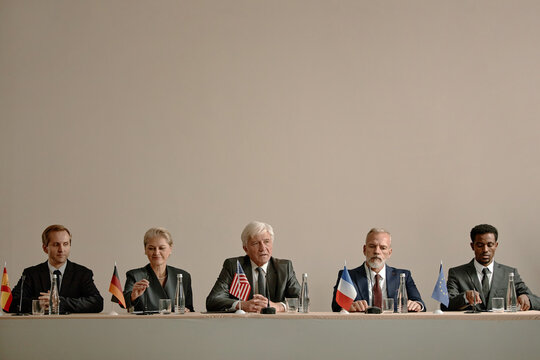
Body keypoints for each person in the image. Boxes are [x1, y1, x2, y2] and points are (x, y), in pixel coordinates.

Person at [206, 221, 301, 312]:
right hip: (242, 324)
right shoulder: (233, 265)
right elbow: (213, 300)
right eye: (256, 243)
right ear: (245, 248)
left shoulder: (284, 267)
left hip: (276, 325)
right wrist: (242, 305)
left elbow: (301, 300)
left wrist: (278, 306)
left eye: (266, 241)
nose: (263, 248)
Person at [6, 224, 103, 313]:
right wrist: (40, 303)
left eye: (65, 244)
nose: (61, 250)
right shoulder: (31, 273)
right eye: (56, 244)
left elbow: (97, 302)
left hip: (73, 328)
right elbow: (9, 302)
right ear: (45, 248)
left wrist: (59, 302)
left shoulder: (82, 273)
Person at [443, 224, 540, 311]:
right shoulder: (456, 273)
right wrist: (465, 297)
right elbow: (445, 305)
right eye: (480, 245)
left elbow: (537, 301)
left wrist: (527, 299)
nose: (485, 250)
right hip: (468, 329)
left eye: (490, 245)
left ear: (496, 245)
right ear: (472, 246)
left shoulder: (509, 273)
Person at [331, 228, 425, 312]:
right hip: (360, 327)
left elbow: (420, 303)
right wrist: (348, 307)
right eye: (372, 246)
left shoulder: (404, 275)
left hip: (395, 327)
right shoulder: (348, 276)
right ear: (364, 249)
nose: (376, 251)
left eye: (383, 248)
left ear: (389, 253)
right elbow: (336, 306)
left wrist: (417, 305)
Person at [123, 227, 194, 312]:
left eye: (161, 248)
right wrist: (132, 296)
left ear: (170, 249)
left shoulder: (183, 276)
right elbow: (123, 302)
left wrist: (187, 311)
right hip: (144, 324)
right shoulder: (135, 275)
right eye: (151, 248)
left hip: (176, 324)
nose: (156, 253)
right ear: (145, 250)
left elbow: (190, 309)